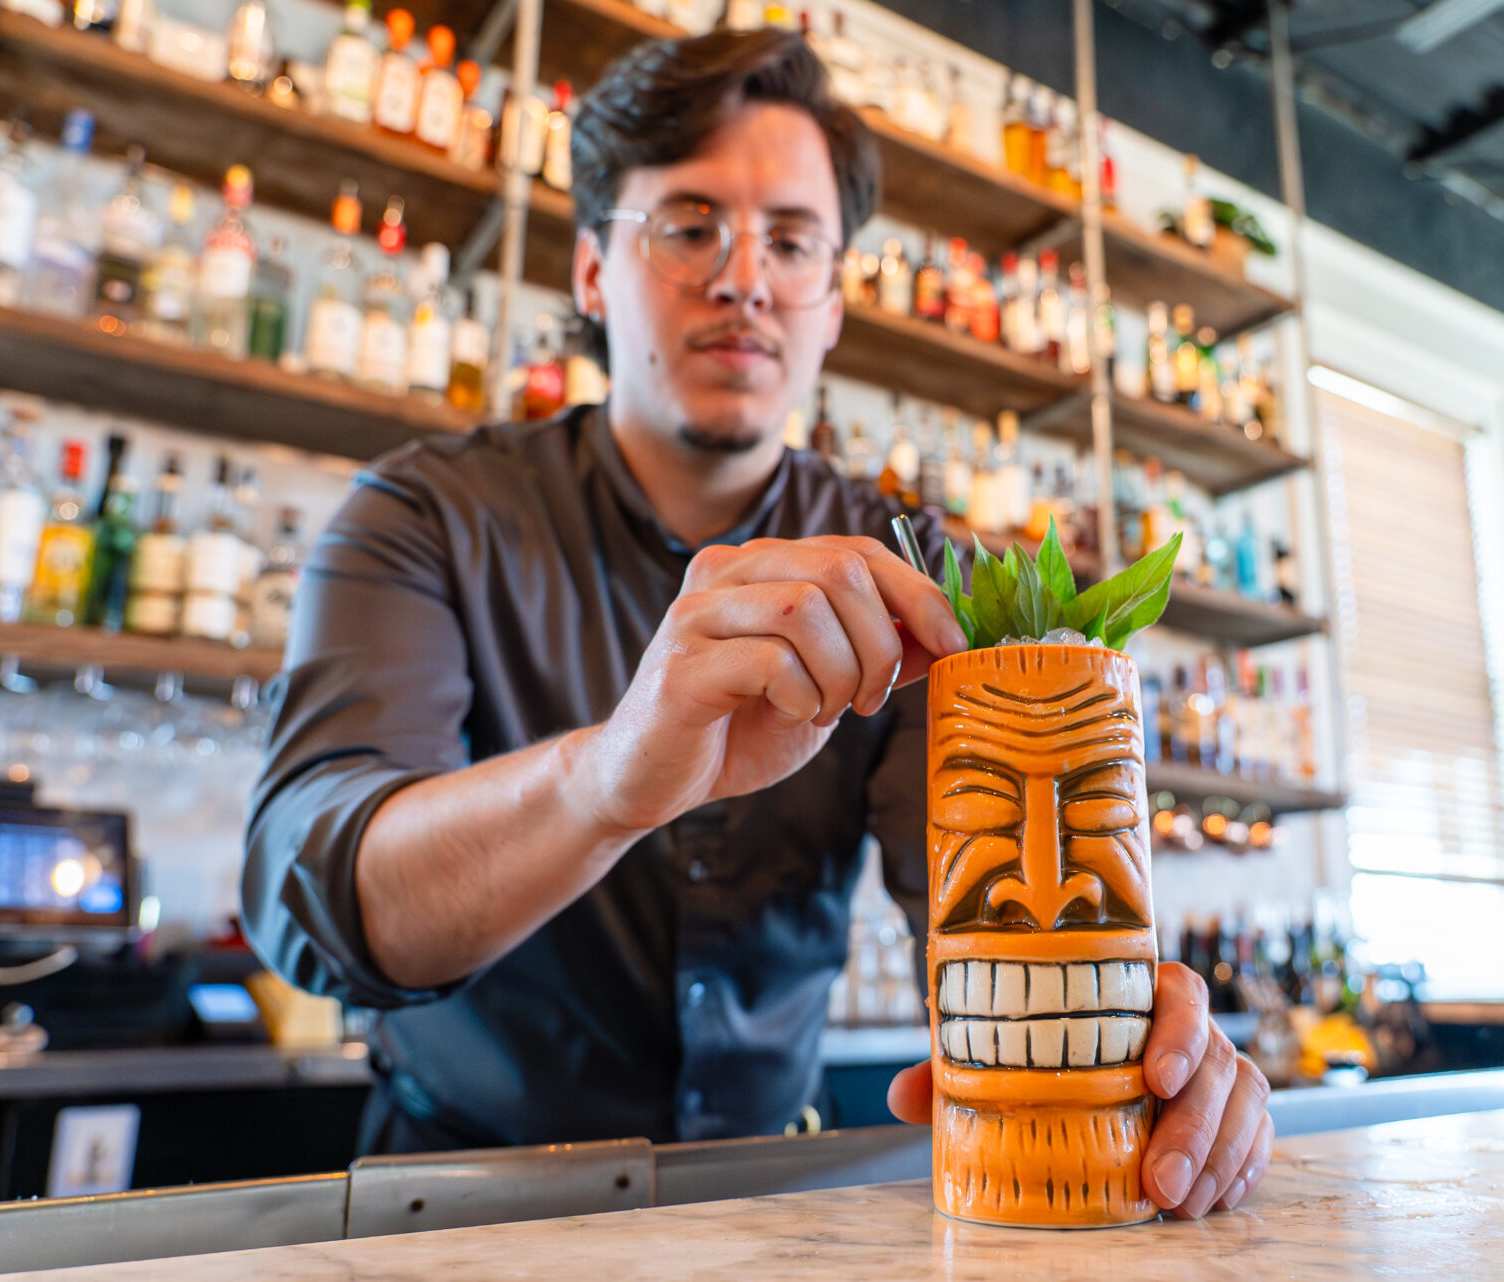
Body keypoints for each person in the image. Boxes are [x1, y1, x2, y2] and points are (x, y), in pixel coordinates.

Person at [241, 27, 1271, 1217]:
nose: (746, 278)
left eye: (792, 241)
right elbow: (308, 895)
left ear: (832, 305)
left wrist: (1143, 1044)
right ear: (588, 272)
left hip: (777, 1201)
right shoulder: (425, 513)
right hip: (463, 1199)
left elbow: (987, 905)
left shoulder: (921, 572)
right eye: (688, 226)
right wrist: (611, 777)